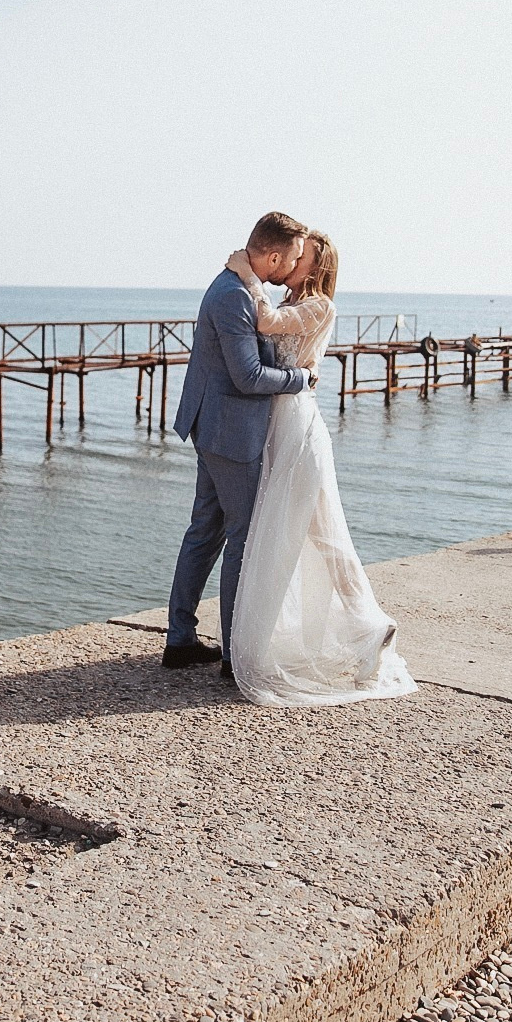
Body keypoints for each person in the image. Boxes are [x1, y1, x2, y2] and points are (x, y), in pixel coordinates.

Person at [221, 232, 418, 707]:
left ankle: (370, 625)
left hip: (300, 430)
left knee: (324, 536)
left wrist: (246, 273)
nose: (291, 262)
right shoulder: (294, 300)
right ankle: (367, 627)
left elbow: (266, 323)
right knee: (309, 536)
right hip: (281, 426)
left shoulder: (320, 306)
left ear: (315, 266)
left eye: (300, 257)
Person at [162, 212, 317, 670]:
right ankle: (236, 655)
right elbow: (248, 376)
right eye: (292, 258)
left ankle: (181, 640)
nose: (294, 267)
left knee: (205, 532)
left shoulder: (240, 286)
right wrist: (301, 378)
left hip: (213, 424)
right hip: (229, 431)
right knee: (242, 538)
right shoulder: (234, 296)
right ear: (274, 257)